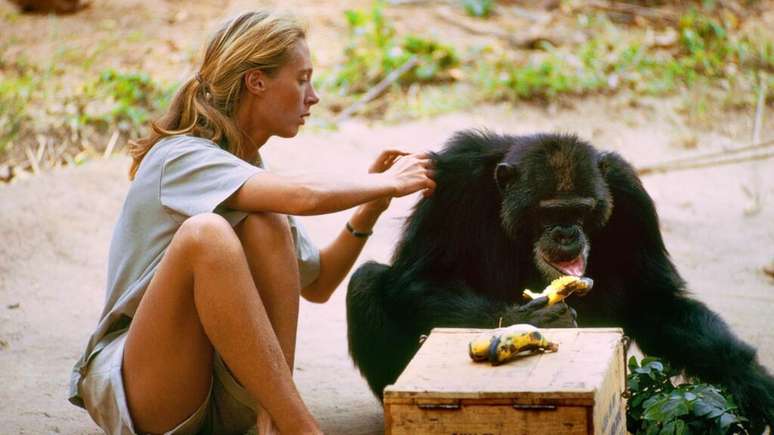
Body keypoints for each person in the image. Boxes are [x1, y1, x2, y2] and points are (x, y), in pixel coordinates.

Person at [67, 10, 435, 435]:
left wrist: (372, 206)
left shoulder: (248, 175)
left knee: (267, 223)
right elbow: (304, 196)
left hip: (222, 398)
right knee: (207, 236)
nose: (312, 96)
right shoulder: (180, 157)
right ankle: (298, 426)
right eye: (301, 80)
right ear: (256, 81)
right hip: (149, 393)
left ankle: (272, 419)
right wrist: (381, 182)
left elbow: (318, 283)